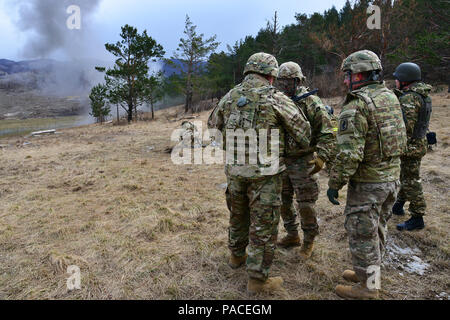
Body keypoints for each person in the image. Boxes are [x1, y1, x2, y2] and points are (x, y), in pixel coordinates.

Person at [207, 52, 311, 295]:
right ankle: (257, 280)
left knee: (238, 215)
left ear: (248, 71)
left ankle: (236, 256)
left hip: (235, 172)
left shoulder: (231, 95)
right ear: (271, 75)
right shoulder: (276, 97)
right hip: (265, 175)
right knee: (263, 224)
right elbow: (304, 133)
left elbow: (213, 127)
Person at [327, 50, 407, 299]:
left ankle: (368, 288)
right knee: (379, 227)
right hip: (392, 178)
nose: (344, 81)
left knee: (362, 234)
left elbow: (349, 154)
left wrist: (334, 183)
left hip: (368, 183)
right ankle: (370, 274)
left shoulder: (357, 104)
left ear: (359, 74)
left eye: (347, 75)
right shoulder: (389, 96)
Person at [274, 62, 336, 259]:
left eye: (288, 81)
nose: (283, 85)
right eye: (280, 81)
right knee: (282, 202)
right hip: (282, 160)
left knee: (306, 204)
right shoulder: (277, 101)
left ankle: (309, 240)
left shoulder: (312, 103)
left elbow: (328, 132)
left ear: (298, 81)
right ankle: (292, 235)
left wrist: (322, 157)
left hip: (303, 161)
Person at [392, 62, 432, 231]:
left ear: (405, 79)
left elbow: (405, 128)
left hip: (410, 147)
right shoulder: (423, 95)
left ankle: (417, 217)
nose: (395, 81)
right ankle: (398, 205)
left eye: (397, 78)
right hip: (419, 143)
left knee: (411, 180)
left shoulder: (409, 98)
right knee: (406, 176)